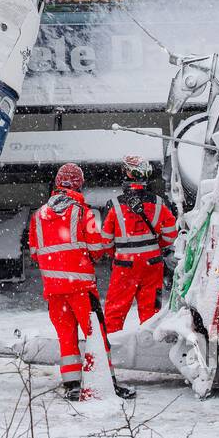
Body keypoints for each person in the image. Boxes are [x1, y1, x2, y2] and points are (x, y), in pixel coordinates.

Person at [27, 162, 134, 401]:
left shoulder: (38, 216)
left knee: (66, 338)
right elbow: (97, 249)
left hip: (54, 291)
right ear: (79, 185)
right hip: (81, 288)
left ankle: (72, 385)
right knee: (96, 336)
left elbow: (34, 252)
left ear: (57, 184)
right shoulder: (82, 212)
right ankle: (108, 383)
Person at [100, 155, 179, 333]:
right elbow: (170, 235)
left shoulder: (114, 205)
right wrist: (154, 247)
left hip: (124, 265)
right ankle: (150, 346)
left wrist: (118, 253)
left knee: (115, 312)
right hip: (153, 265)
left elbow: (105, 241)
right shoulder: (160, 203)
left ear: (126, 174)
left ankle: (111, 349)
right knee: (152, 311)